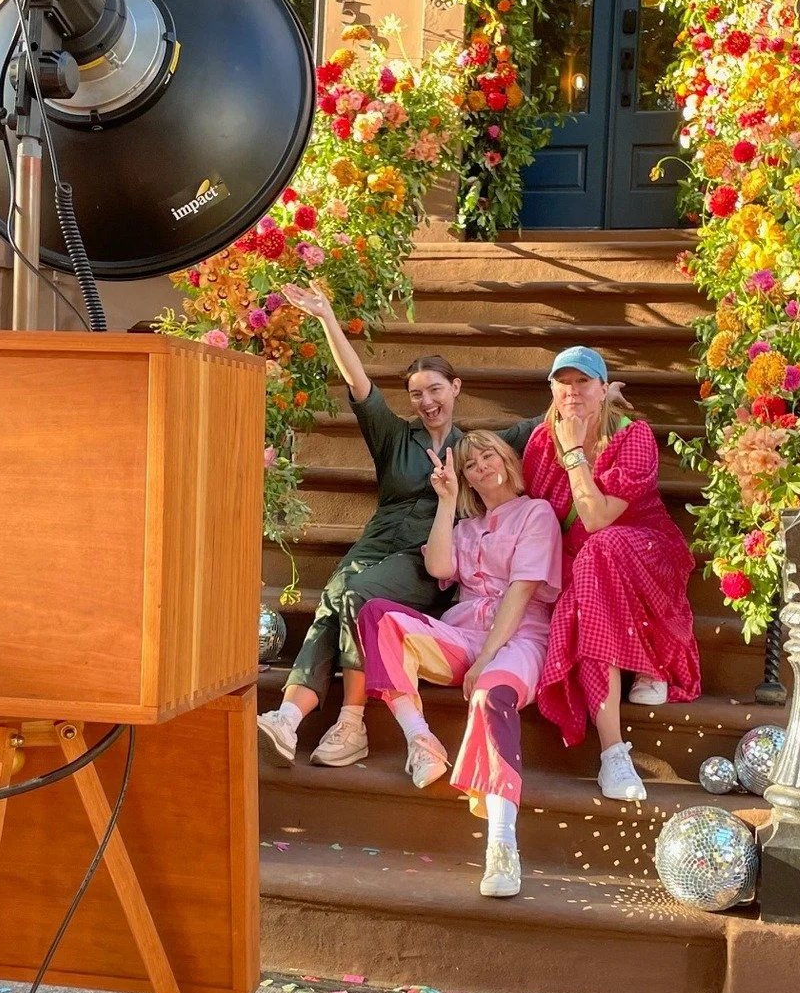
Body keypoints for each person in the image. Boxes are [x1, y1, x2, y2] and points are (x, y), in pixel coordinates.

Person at [255, 285, 538, 769]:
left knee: (353, 594)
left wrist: (594, 397)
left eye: (435, 389)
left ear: (455, 388)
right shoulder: (394, 438)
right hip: (374, 545)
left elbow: (543, 423)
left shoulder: (475, 446)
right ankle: (287, 718)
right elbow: (360, 381)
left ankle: (351, 719)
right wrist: (326, 316)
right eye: (416, 394)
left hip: (423, 562)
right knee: (335, 598)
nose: (427, 401)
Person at [357, 432, 562, 899]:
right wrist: (446, 500)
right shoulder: (467, 525)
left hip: (520, 638)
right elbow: (439, 567)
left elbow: (522, 591)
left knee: (491, 695)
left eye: (488, 455)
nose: (481, 467)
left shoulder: (537, 513)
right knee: (378, 615)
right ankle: (420, 740)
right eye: (470, 464)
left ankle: (502, 846)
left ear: (507, 460)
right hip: (462, 631)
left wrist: (487, 657)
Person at [523, 346, 702, 804]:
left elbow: (599, 518)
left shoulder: (633, 437)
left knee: (599, 548)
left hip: (643, 550)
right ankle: (613, 752)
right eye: (564, 382)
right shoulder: (540, 439)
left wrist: (575, 453)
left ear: (603, 389)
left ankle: (646, 659)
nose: (573, 391)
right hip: (585, 567)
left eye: (584, 382)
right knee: (589, 573)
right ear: (551, 389)